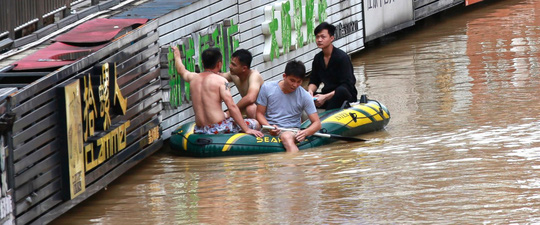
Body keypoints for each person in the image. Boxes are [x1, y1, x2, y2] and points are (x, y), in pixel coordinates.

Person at [171, 46, 263, 137]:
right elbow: (231, 106)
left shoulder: (193, 78)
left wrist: (177, 54)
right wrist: (246, 129)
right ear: (219, 64)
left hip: (200, 128)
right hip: (218, 127)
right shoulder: (223, 82)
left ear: (202, 63)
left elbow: (181, 70)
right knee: (255, 123)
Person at [256, 60, 322, 153]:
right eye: (292, 80)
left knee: (286, 137)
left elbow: (317, 123)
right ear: (284, 76)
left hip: (291, 131)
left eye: (299, 82)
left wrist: (305, 132)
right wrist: (269, 127)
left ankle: (293, 165)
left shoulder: (305, 96)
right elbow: (259, 114)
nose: (295, 85)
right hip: (270, 128)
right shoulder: (267, 88)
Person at [308, 22, 358, 110]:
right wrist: (310, 92)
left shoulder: (342, 58)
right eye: (317, 37)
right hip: (327, 94)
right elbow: (314, 80)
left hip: (344, 96)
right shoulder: (318, 58)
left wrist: (325, 97)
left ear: (332, 38)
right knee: (302, 92)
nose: (319, 40)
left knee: (341, 91)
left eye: (323, 37)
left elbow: (348, 85)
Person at [219, 49, 264, 118]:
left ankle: (258, 128)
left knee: (250, 108)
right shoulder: (234, 75)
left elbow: (251, 98)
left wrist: (231, 111)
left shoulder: (254, 76)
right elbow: (218, 76)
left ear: (244, 68)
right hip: (248, 111)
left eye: (234, 65)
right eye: (231, 63)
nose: (230, 66)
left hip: (264, 112)